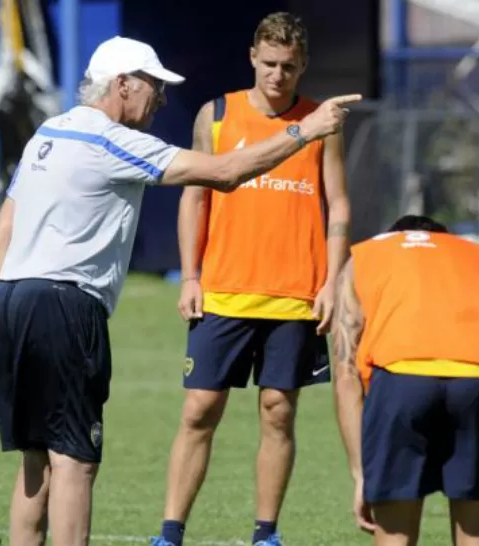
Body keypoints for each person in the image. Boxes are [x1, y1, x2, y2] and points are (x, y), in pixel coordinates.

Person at [0, 34, 360, 546]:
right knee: (75, 460)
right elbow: (227, 172)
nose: (160, 98)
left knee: (35, 462)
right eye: (152, 86)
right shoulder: (114, 140)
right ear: (120, 85)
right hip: (66, 305)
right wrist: (307, 129)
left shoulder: (47, 133)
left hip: (11, 300)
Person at [151, 12, 351, 545]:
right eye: (269, 64)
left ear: (303, 64)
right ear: (252, 58)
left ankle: (266, 534)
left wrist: (332, 281)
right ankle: (170, 532)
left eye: (288, 66)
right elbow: (194, 198)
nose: (277, 75)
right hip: (222, 290)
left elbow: (339, 208)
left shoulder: (321, 122)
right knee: (199, 409)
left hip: (295, 297)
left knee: (278, 412)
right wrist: (190, 275)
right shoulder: (216, 114)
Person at [331, 215, 479, 546]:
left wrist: (362, 473)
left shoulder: (363, 256)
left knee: (395, 537)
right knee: (476, 536)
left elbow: (346, 373)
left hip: (400, 379)